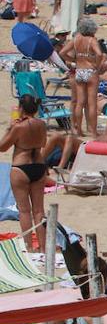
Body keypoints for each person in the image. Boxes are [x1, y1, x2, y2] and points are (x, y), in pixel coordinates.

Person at [1, 94, 48, 251]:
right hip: (39, 166)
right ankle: (42, 247)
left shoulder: (18, 127)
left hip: (21, 168)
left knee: (24, 210)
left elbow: (3, 147)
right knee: (39, 210)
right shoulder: (42, 124)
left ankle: (28, 246)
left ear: (21, 108)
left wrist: (10, 127)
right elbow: (43, 143)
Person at [59, 17, 107, 137]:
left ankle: (78, 129)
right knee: (91, 103)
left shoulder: (76, 39)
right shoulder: (92, 40)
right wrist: (96, 65)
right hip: (90, 71)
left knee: (80, 102)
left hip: (79, 70)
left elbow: (62, 53)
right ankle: (93, 131)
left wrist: (74, 60)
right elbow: (99, 53)